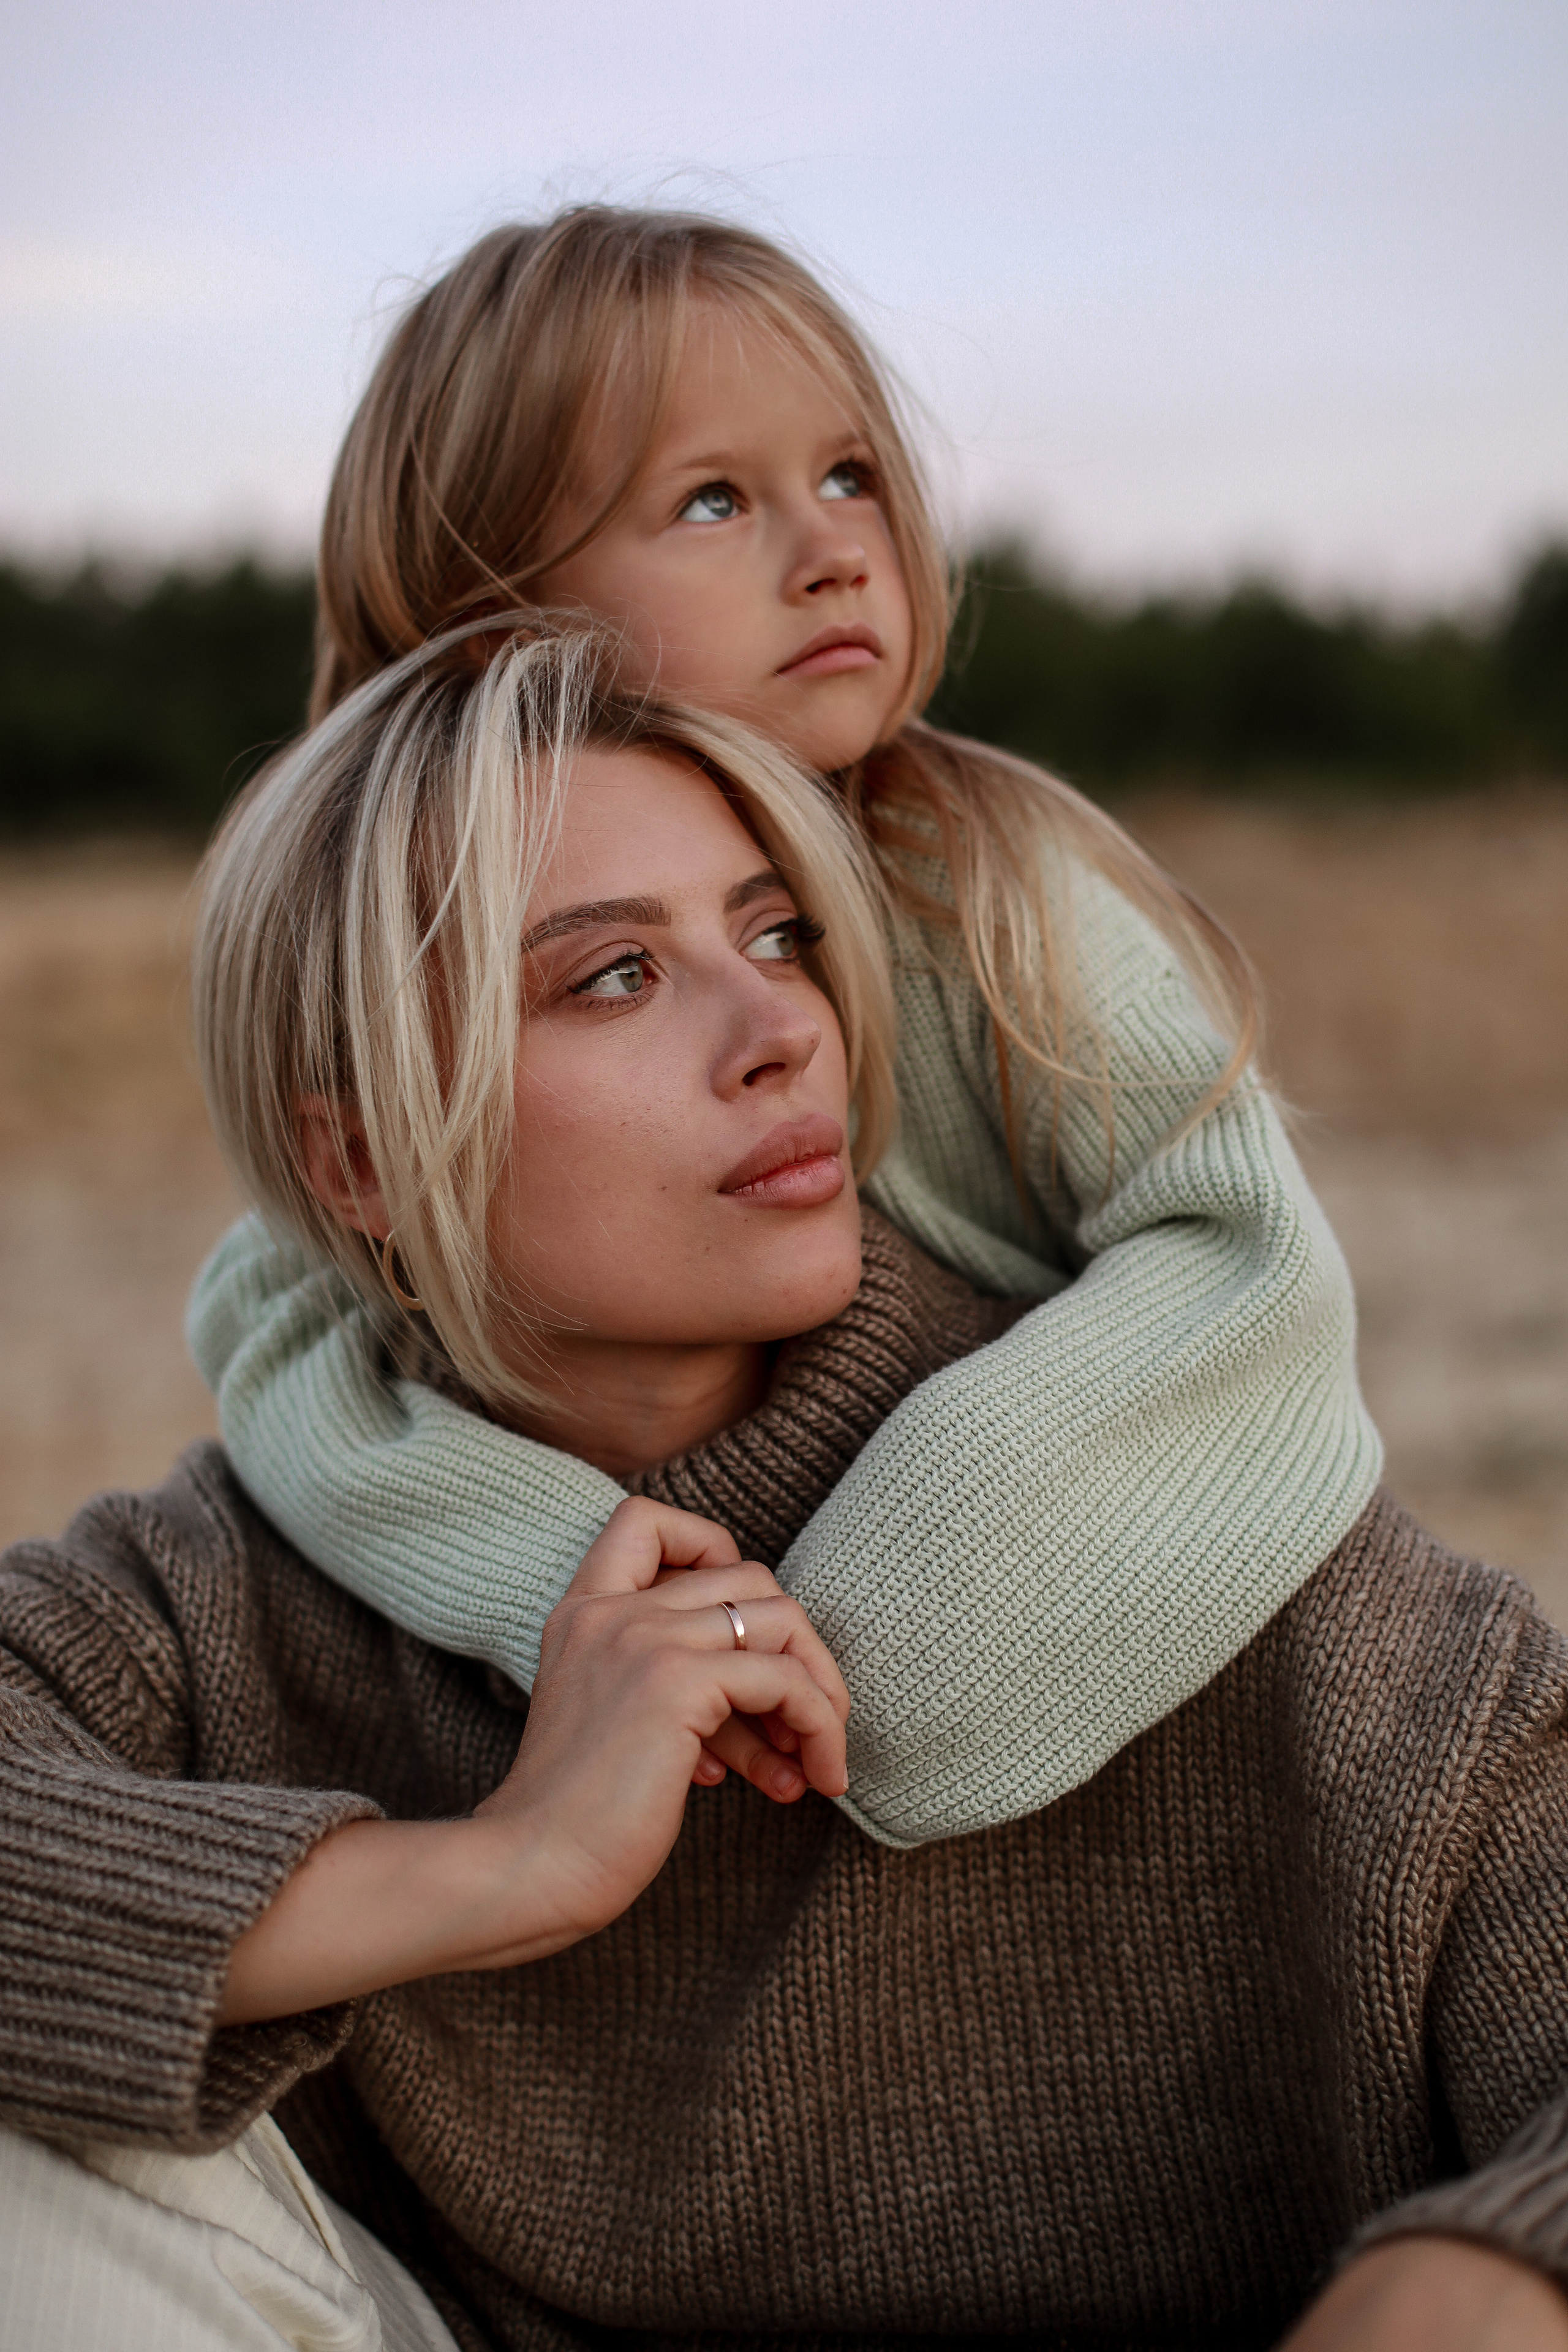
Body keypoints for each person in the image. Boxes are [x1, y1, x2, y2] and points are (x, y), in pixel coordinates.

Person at [4, 625, 1568, 2351]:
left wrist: (1495, 2268)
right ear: (361, 1158)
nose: (781, 1034)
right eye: (612, 976)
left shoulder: (1152, 1506)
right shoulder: (218, 1592)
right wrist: (500, 1867)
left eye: (780, 934)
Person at [187, 206, 1382, 1847]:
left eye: (850, 475)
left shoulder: (990, 888)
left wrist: (873, 1643)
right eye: (710, 499)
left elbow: (1243, 1262)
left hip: (1036, 1680)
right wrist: (561, 1570)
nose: (832, 551)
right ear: (493, 625)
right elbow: (274, 1333)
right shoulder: (406, 976)